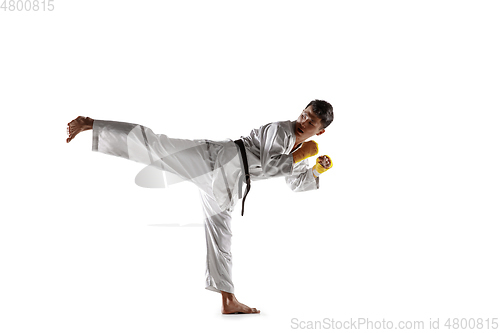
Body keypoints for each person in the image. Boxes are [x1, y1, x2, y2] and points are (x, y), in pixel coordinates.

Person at [66, 99, 334, 314]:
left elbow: (296, 183)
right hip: (216, 159)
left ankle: (228, 301)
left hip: (229, 182)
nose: (303, 122)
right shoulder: (280, 129)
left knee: (222, 236)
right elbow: (268, 165)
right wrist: (301, 154)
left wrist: (316, 170)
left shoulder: (302, 147)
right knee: (156, 145)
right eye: (303, 115)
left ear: (320, 130)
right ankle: (92, 124)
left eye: (311, 122)